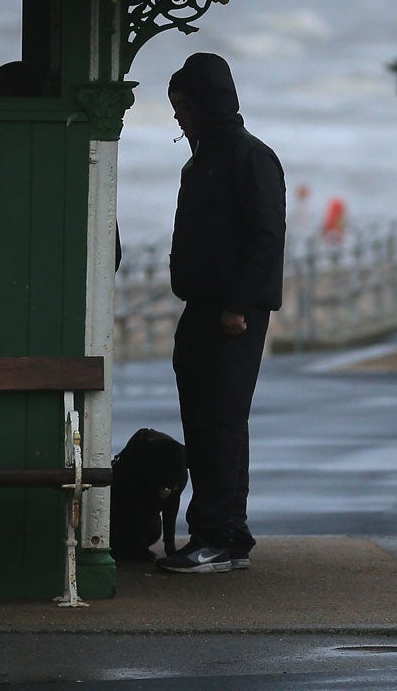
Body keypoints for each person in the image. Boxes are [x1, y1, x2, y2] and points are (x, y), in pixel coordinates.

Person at [155, 51, 285, 575]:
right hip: (202, 307)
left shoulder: (249, 158)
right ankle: (228, 533)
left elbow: (265, 237)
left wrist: (237, 305)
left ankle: (216, 534)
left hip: (232, 314)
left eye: (184, 105)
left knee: (220, 423)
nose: (179, 117)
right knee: (209, 422)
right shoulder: (206, 157)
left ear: (207, 103)